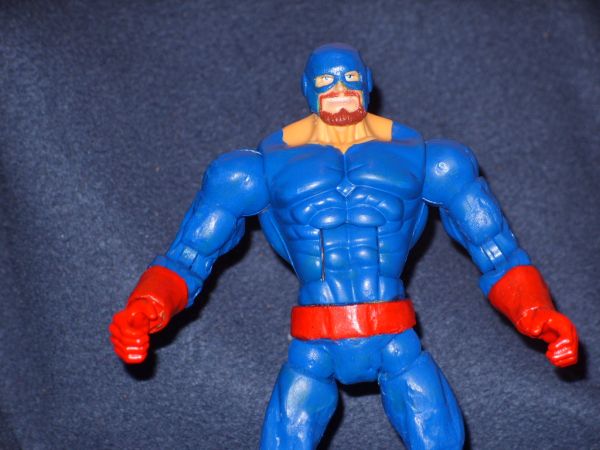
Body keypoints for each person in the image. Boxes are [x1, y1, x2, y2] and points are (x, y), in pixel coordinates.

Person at [109, 43, 578, 450]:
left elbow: (496, 249)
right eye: (326, 81)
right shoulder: (257, 169)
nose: (339, 89)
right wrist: (147, 307)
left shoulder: (429, 160)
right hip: (315, 344)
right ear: (307, 87)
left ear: (368, 82)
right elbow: (190, 256)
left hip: (396, 339)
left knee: (440, 439)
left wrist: (535, 312)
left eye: (350, 78)